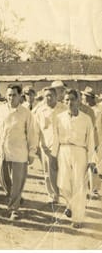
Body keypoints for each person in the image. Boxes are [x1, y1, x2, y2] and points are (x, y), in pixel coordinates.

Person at [0, 84, 38, 221]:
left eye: (14, 95)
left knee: (18, 181)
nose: (11, 98)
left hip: (20, 151)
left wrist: (32, 152)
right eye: (9, 95)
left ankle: (14, 209)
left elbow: (32, 133)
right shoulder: (0, 110)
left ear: (20, 96)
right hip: (3, 150)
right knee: (4, 179)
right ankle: (15, 196)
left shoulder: (25, 113)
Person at [52, 89, 96, 229]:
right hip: (63, 151)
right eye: (67, 100)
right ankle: (70, 204)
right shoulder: (59, 118)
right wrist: (54, 156)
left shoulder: (86, 118)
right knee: (63, 183)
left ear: (78, 101)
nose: (70, 102)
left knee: (79, 185)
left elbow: (90, 141)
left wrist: (91, 160)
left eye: (72, 99)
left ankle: (77, 218)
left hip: (80, 152)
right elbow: (55, 138)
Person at [34, 87, 66, 204]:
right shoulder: (40, 111)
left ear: (56, 96)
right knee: (48, 172)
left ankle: (65, 194)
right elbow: (36, 129)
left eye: (51, 95)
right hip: (46, 145)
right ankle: (53, 196)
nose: (48, 98)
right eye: (46, 95)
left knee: (63, 170)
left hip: (62, 145)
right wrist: (38, 144)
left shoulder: (64, 109)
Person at [81, 86, 102, 200]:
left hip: (97, 140)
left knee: (95, 166)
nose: (84, 99)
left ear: (91, 98)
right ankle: (89, 189)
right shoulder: (84, 110)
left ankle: (94, 190)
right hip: (85, 140)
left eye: (86, 97)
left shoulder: (99, 110)